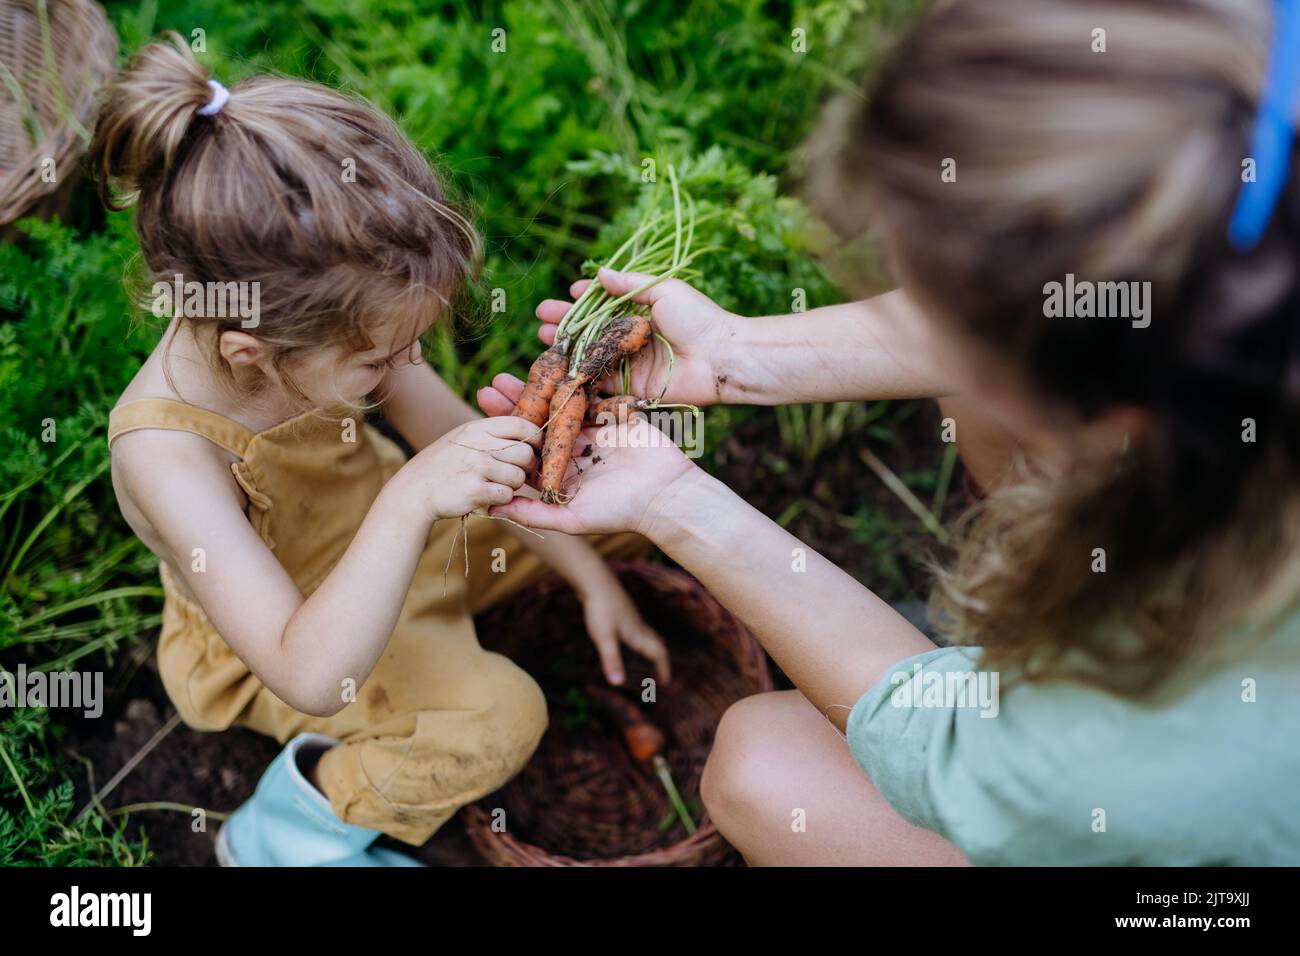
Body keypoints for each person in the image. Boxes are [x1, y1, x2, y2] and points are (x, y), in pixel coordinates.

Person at [480, 0, 1300, 865]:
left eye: (946, 318)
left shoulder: (1134, 750)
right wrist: (735, 355)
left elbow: (952, 749)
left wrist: (676, 501)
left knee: (766, 767)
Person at [95, 33, 668, 866]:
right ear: (253, 351)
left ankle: (540, 589)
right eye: (379, 363)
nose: (402, 371)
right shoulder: (167, 454)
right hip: (309, 632)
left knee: (617, 493)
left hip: (416, 551)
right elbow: (309, 671)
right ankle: (281, 835)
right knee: (500, 718)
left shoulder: (337, 322)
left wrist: (591, 578)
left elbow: (447, 438)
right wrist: (409, 498)